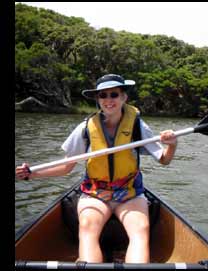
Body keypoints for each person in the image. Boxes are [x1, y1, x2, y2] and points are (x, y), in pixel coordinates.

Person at [16, 74, 177, 263]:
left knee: (140, 231)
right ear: (97, 99)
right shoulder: (85, 128)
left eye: (114, 94)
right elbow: (67, 167)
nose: (108, 100)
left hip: (129, 192)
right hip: (95, 192)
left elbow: (164, 160)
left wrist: (172, 145)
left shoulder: (138, 126)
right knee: (86, 229)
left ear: (124, 97)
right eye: (103, 95)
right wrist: (32, 174)